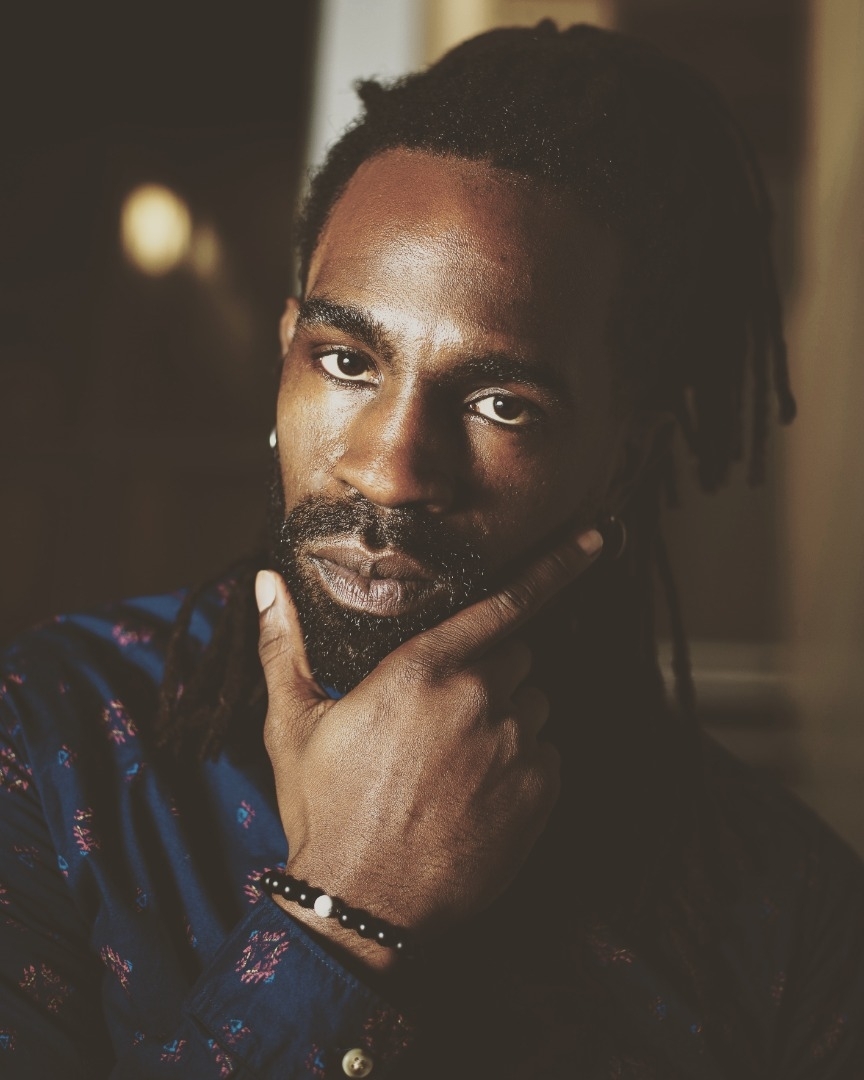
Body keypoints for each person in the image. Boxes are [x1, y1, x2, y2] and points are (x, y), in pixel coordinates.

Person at [1, 21, 862, 1079]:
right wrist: (347, 908)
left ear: (622, 459)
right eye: (347, 361)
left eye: (502, 403)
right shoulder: (49, 739)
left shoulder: (787, 915)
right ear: (285, 356)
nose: (391, 471)